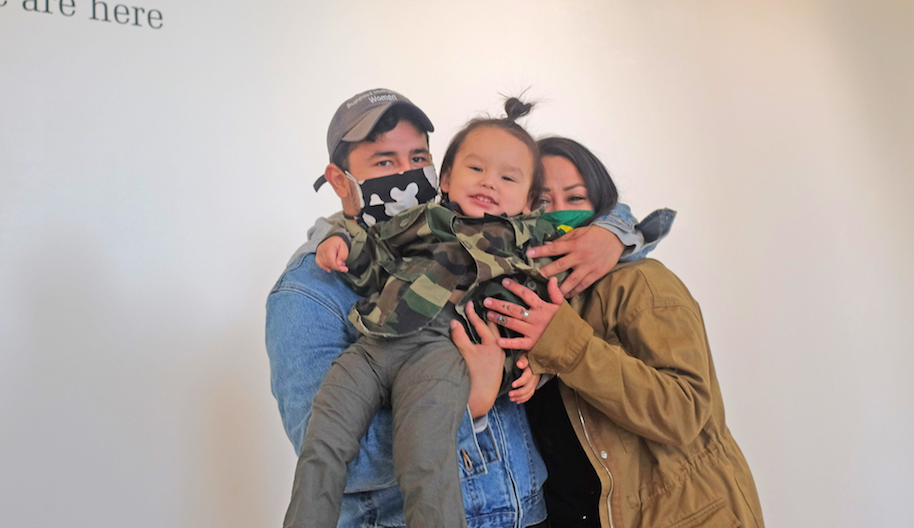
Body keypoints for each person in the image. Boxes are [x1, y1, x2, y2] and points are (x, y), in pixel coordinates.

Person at [266, 89, 667, 528]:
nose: (406, 175)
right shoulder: (307, 291)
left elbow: (587, 211)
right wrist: (468, 404)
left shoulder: (484, 225)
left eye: (419, 158)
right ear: (341, 180)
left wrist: (610, 234)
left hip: (529, 513)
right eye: (384, 162)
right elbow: (335, 450)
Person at [482, 137, 763, 528]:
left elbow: (684, 412)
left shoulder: (643, 284)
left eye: (575, 198)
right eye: (542, 202)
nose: (558, 213)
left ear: (601, 209)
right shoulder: (520, 293)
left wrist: (566, 344)